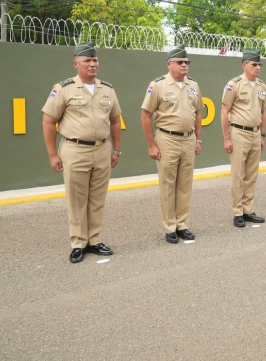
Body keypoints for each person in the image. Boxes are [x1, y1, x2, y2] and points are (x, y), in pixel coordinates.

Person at [42, 42, 122, 264]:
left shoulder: (107, 89)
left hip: (102, 149)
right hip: (75, 150)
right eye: (87, 60)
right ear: (75, 63)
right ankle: (78, 243)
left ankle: (94, 240)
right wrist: (52, 155)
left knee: (97, 199)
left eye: (95, 60)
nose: (93, 64)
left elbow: (115, 121)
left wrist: (116, 150)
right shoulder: (64, 89)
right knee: (77, 200)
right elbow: (48, 121)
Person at [140, 45, 204, 244]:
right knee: (168, 185)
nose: (184, 65)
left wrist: (198, 139)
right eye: (180, 62)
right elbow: (145, 116)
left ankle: (182, 224)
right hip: (167, 139)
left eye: (186, 62)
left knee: (185, 184)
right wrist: (151, 145)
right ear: (169, 64)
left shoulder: (193, 85)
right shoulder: (158, 85)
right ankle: (170, 227)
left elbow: (198, 114)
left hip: (188, 139)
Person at [221, 50, 266, 228]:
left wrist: (262, 135)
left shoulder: (262, 86)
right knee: (238, 175)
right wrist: (227, 138)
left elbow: (263, 112)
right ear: (244, 65)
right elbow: (224, 112)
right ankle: (237, 212)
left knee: (251, 175)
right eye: (254, 64)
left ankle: (248, 210)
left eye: (259, 65)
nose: (258, 68)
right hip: (239, 133)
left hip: (255, 134)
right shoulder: (233, 85)